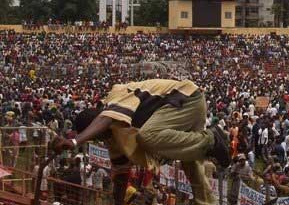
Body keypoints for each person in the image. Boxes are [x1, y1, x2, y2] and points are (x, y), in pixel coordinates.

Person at [51, 79, 230, 205]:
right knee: (190, 163)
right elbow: (121, 176)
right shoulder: (114, 137)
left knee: (147, 137)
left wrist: (74, 141)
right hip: (185, 108)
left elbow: (105, 118)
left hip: (186, 98)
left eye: (97, 136)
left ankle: (211, 139)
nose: (101, 140)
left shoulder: (115, 97)